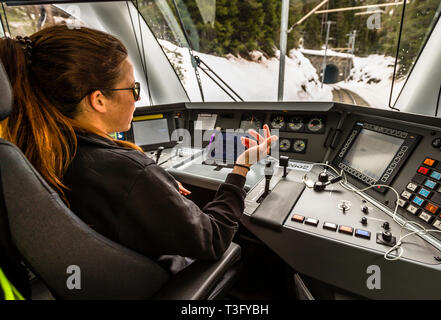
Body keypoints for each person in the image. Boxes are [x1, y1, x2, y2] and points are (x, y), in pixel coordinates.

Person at [0, 25, 277, 274]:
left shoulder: (28, 152)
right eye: (133, 88)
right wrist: (241, 167)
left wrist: (155, 190)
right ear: (98, 100)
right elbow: (214, 238)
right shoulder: (128, 172)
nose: (138, 97)